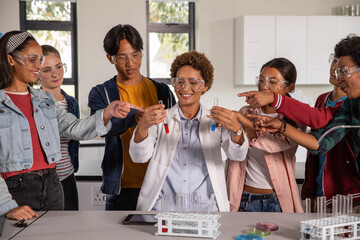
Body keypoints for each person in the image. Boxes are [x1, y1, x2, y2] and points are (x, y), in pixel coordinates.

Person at [0, 31, 141, 220]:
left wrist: (108, 112)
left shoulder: (45, 100)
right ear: (10, 60)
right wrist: (6, 205)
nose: (38, 66)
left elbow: (74, 128)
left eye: (39, 59)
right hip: (16, 189)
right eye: (32, 59)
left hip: (53, 184)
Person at [239, 35, 360, 210]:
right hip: (327, 198)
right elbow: (320, 143)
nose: (338, 76)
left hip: (348, 194)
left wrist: (273, 100)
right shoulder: (351, 104)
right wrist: (281, 127)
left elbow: (314, 118)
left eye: (343, 71)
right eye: (335, 66)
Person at [129, 50, 248, 212]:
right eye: (179, 81)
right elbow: (139, 157)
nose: (185, 88)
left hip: (206, 209)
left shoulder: (215, 121)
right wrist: (142, 127)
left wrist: (236, 129)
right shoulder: (160, 119)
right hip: (164, 208)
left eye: (193, 82)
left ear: (205, 86)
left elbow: (237, 155)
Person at [88, 24, 175, 210]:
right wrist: (137, 119)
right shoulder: (101, 93)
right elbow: (100, 128)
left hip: (160, 185)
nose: (130, 63)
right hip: (121, 187)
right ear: (110, 58)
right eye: (122, 57)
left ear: (142, 53)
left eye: (135, 55)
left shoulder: (162, 91)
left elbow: (174, 131)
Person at [227, 58, 304, 213]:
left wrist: (240, 120)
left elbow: (272, 144)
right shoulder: (246, 112)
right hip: (243, 198)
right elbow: (235, 148)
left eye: (272, 82)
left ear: (289, 86)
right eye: (261, 80)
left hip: (276, 201)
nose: (264, 86)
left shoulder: (296, 119)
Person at [37, 45, 81, 210]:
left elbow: (75, 136)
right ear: (38, 74)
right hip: (44, 179)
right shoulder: (34, 102)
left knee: (71, 229)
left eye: (58, 67)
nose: (55, 74)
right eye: (47, 70)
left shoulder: (72, 102)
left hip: (68, 175)